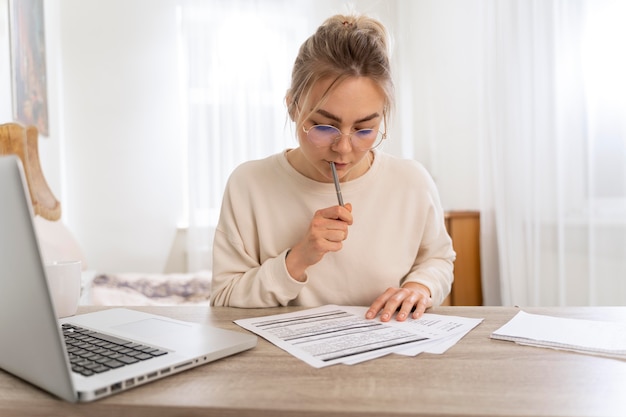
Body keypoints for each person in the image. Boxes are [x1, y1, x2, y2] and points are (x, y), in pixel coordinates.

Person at [210, 13, 455, 322]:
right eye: (324, 126)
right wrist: (296, 259)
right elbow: (223, 299)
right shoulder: (249, 184)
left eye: (365, 130)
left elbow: (437, 259)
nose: (343, 148)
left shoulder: (411, 182)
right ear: (292, 106)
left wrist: (421, 286)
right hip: (280, 365)